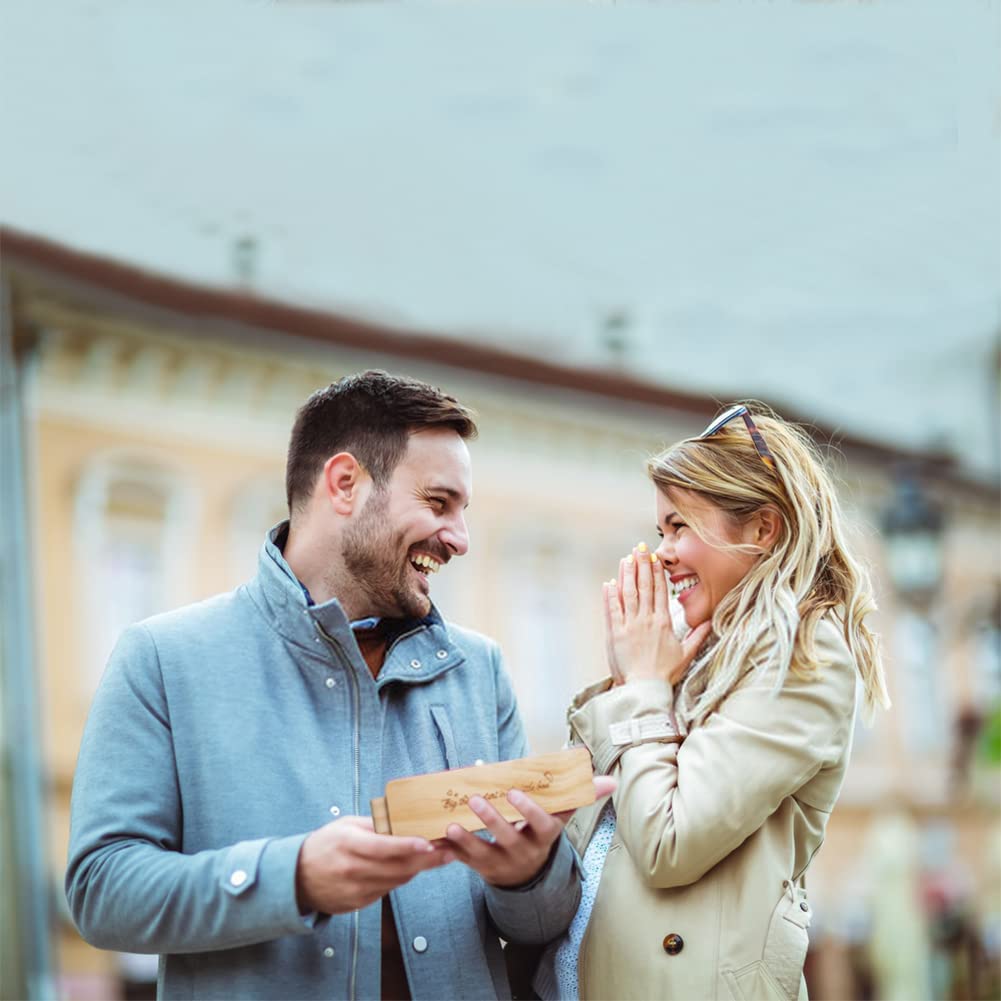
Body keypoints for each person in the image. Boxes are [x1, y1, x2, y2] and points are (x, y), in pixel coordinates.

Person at [66, 370, 609, 1001]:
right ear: (345, 484)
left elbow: (544, 924)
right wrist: (293, 878)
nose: (460, 538)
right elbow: (100, 893)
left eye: (463, 511)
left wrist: (529, 875)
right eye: (439, 503)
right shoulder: (161, 658)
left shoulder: (479, 671)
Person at [535, 404, 890, 1001]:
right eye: (660, 531)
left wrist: (645, 687)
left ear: (762, 529)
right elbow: (591, 825)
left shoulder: (807, 654)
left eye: (680, 527)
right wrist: (629, 682)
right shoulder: (694, 650)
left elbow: (668, 844)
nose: (663, 553)